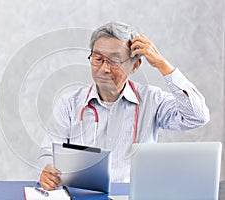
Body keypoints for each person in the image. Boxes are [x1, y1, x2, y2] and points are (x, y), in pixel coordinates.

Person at [37, 22, 210, 190]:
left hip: (135, 194)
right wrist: (48, 170)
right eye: (98, 59)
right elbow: (48, 153)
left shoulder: (152, 99)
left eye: (114, 61)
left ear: (135, 65)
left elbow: (197, 116)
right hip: (82, 194)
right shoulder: (69, 103)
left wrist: (161, 64)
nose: (104, 68)